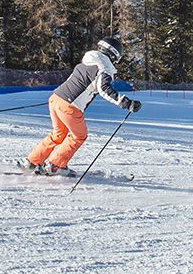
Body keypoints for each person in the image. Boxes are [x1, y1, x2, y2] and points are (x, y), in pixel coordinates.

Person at [18, 36, 141, 176]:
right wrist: (125, 102)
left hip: (56, 98)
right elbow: (104, 89)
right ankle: (55, 165)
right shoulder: (104, 67)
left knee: (58, 134)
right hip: (70, 106)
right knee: (79, 136)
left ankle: (31, 162)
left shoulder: (87, 61)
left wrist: (62, 100)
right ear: (114, 54)